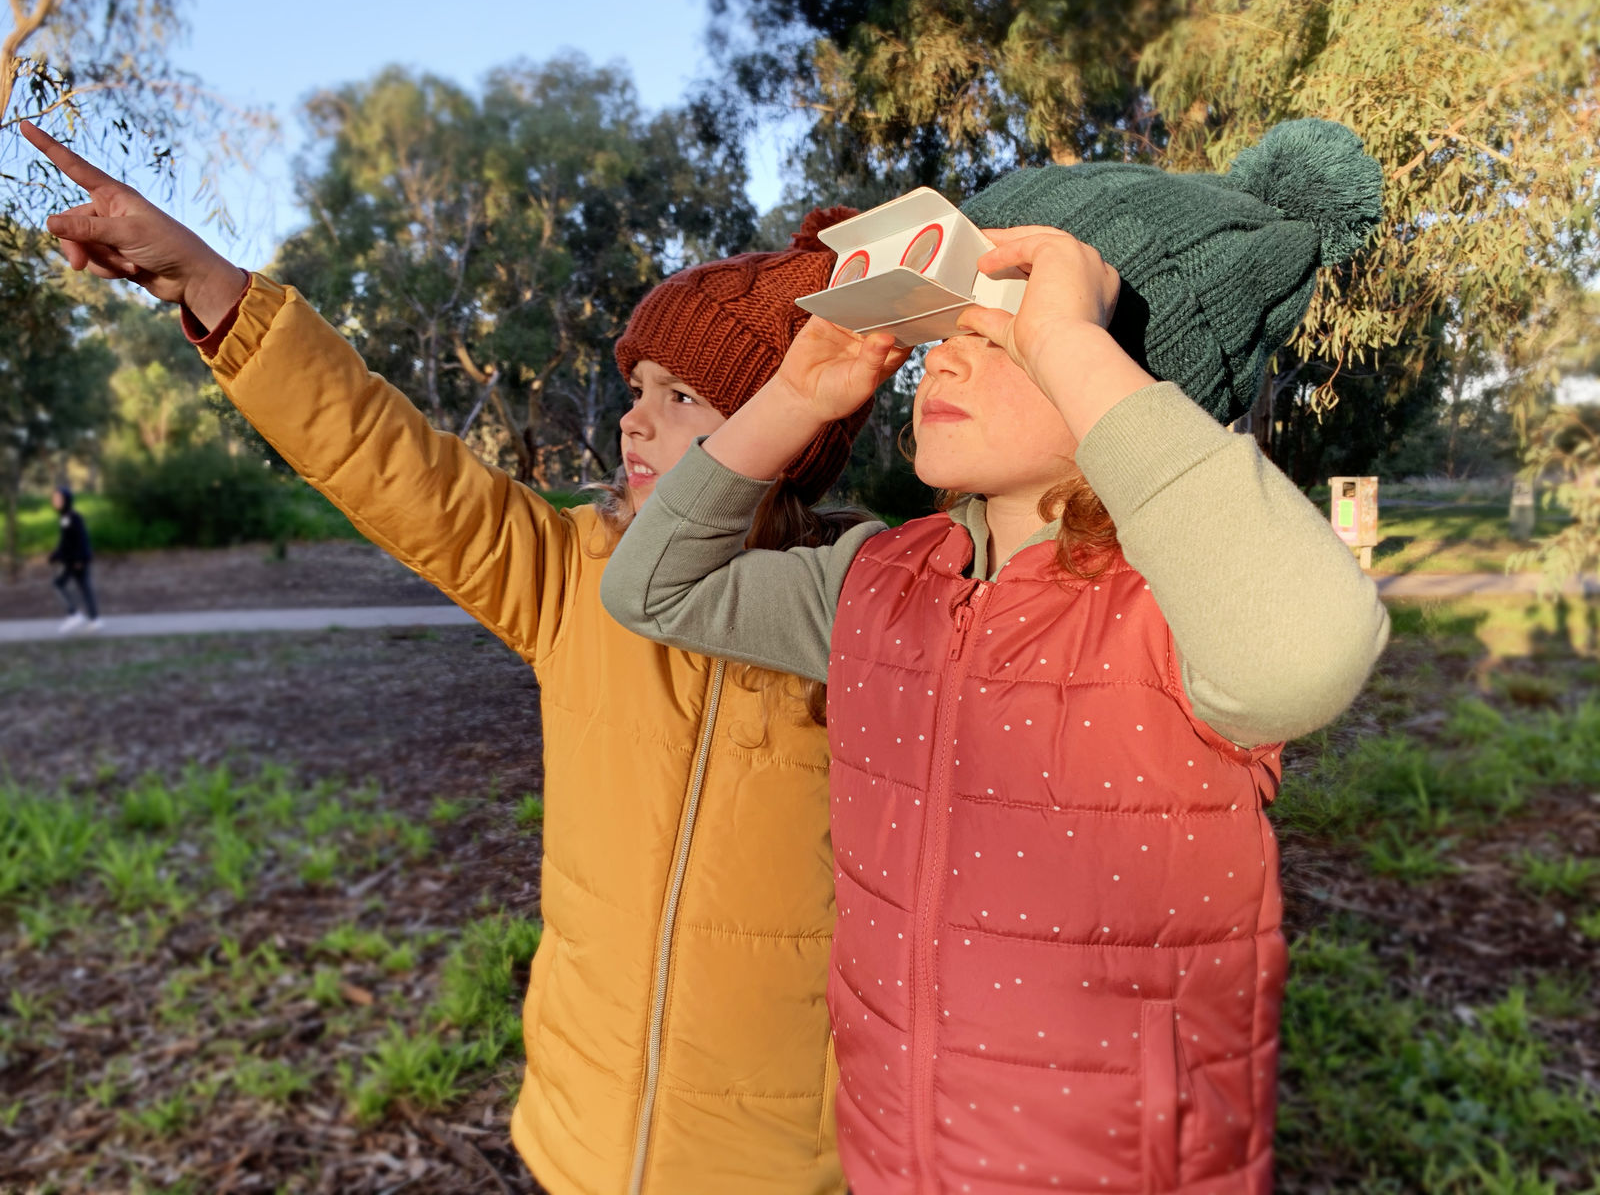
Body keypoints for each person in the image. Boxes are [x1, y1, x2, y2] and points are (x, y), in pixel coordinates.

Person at [21, 118, 878, 1195]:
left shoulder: (873, 613)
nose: (633, 423)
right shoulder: (571, 575)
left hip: (789, 1166)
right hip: (581, 1143)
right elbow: (389, 464)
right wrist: (206, 279)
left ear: (794, 425)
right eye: (634, 389)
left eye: (681, 398)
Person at [600, 119, 1391, 1193]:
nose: (948, 356)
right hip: (892, 1157)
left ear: (1122, 365)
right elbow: (653, 588)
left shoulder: (1178, 605)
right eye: (943, 328)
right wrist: (794, 398)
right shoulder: (879, 580)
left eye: (1004, 328)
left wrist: (1072, 345)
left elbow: (1307, 655)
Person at [48, 485, 100, 633]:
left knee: (59, 583)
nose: (55, 501)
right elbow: (66, 542)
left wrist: (79, 559)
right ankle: (94, 619)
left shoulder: (72, 517)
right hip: (74, 559)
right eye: (54, 498)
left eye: (58, 498)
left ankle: (74, 614)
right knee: (84, 587)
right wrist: (56, 555)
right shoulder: (65, 518)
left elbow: (81, 539)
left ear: (66, 500)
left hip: (76, 560)